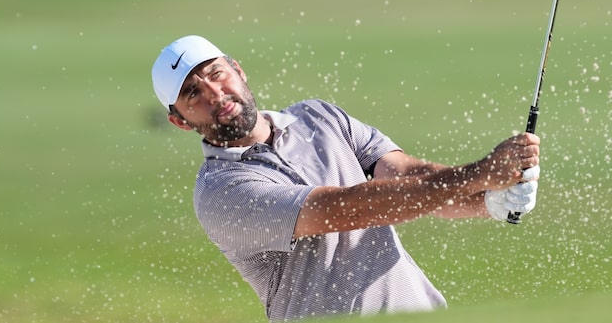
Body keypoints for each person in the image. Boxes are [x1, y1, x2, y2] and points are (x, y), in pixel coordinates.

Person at [151, 35, 540, 322]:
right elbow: (345, 209)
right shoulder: (221, 190)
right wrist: (477, 174)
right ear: (180, 122)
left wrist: (486, 199)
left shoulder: (318, 117)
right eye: (192, 93)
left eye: (217, 74)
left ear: (238, 69)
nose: (215, 93)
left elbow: (404, 174)